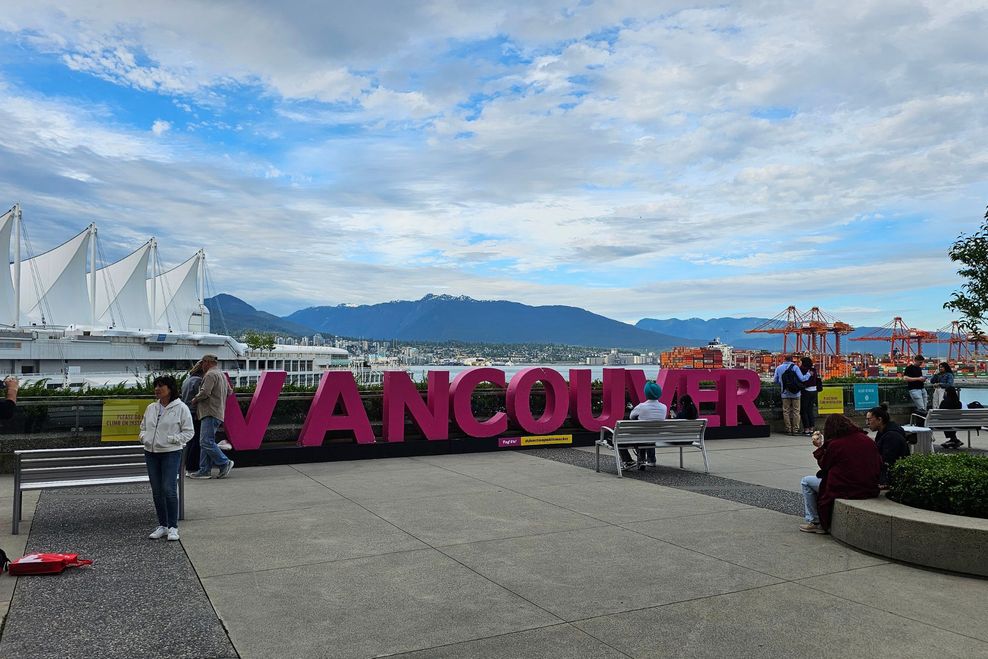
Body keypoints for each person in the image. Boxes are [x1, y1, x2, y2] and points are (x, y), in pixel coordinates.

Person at [798, 414, 882, 534]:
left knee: (806, 481)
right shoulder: (867, 440)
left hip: (846, 487)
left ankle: (815, 521)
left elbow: (824, 465)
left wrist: (820, 447)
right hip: (869, 486)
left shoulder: (836, 444)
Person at [140, 375, 194, 541]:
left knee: (169, 489)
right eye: (155, 386)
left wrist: (171, 439)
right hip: (151, 452)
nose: (157, 389)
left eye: (161, 386)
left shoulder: (181, 408)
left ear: (170, 389)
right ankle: (162, 525)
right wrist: (144, 437)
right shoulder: (151, 408)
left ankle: (173, 527)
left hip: (171, 452)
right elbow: (143, 427)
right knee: (157, 491)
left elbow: (189, 432)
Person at [188, 354, 234, 479]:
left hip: (209, 412)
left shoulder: (210, 375)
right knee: (206, 442)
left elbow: (205, 392)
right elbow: (230, 391)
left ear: (207, 362)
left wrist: (195, 399)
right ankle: (204, 470)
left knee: (205, 441)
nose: (202, 366)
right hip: (218, 411)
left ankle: (224, 462)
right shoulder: (221, 375)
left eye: (202, 363)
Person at [619, 381, 668, 469]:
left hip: (641, 436)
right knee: (650, 433)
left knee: (639, 433)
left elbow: (631, 416)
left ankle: (629, 460)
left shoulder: (641, 406)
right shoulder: (664, 407)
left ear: (646, 393)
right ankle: (651, 460)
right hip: (655, 436)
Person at [865, 403, 909, 488]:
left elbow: (888, 462)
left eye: (869, 420)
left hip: (893, 480)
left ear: (879, 420)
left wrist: (883, 482)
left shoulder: (891, 437)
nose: (867, 423)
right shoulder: (882, 432)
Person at [773, 355, 810, 435]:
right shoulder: (795, 367)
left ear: (784, 359)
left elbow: (775, 380)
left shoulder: (779, 368)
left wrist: (783, 383)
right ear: (792, 360)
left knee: (786, 411)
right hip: (796, 393)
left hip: (785, 393)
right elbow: (802, 379)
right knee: (796, 411)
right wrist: (809, 374)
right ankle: (795, 430)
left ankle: (788, 429)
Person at [180, 362, 204, 473]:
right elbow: (201, 397)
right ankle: (193, 465)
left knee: (190, 440)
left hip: (187, 412)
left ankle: (186, 464)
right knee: (197, 440)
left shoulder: (187, 380)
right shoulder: (198, 381)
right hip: (195, 412)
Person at [799, 356, 820, 436]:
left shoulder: (802, 370)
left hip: (806, 391)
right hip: (814, 391)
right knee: (810, 410)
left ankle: (806, 429)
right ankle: (811, 428)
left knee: (803, 411)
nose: (799, 363)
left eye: (800, 362)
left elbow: (802, 380)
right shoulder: (813, 370)